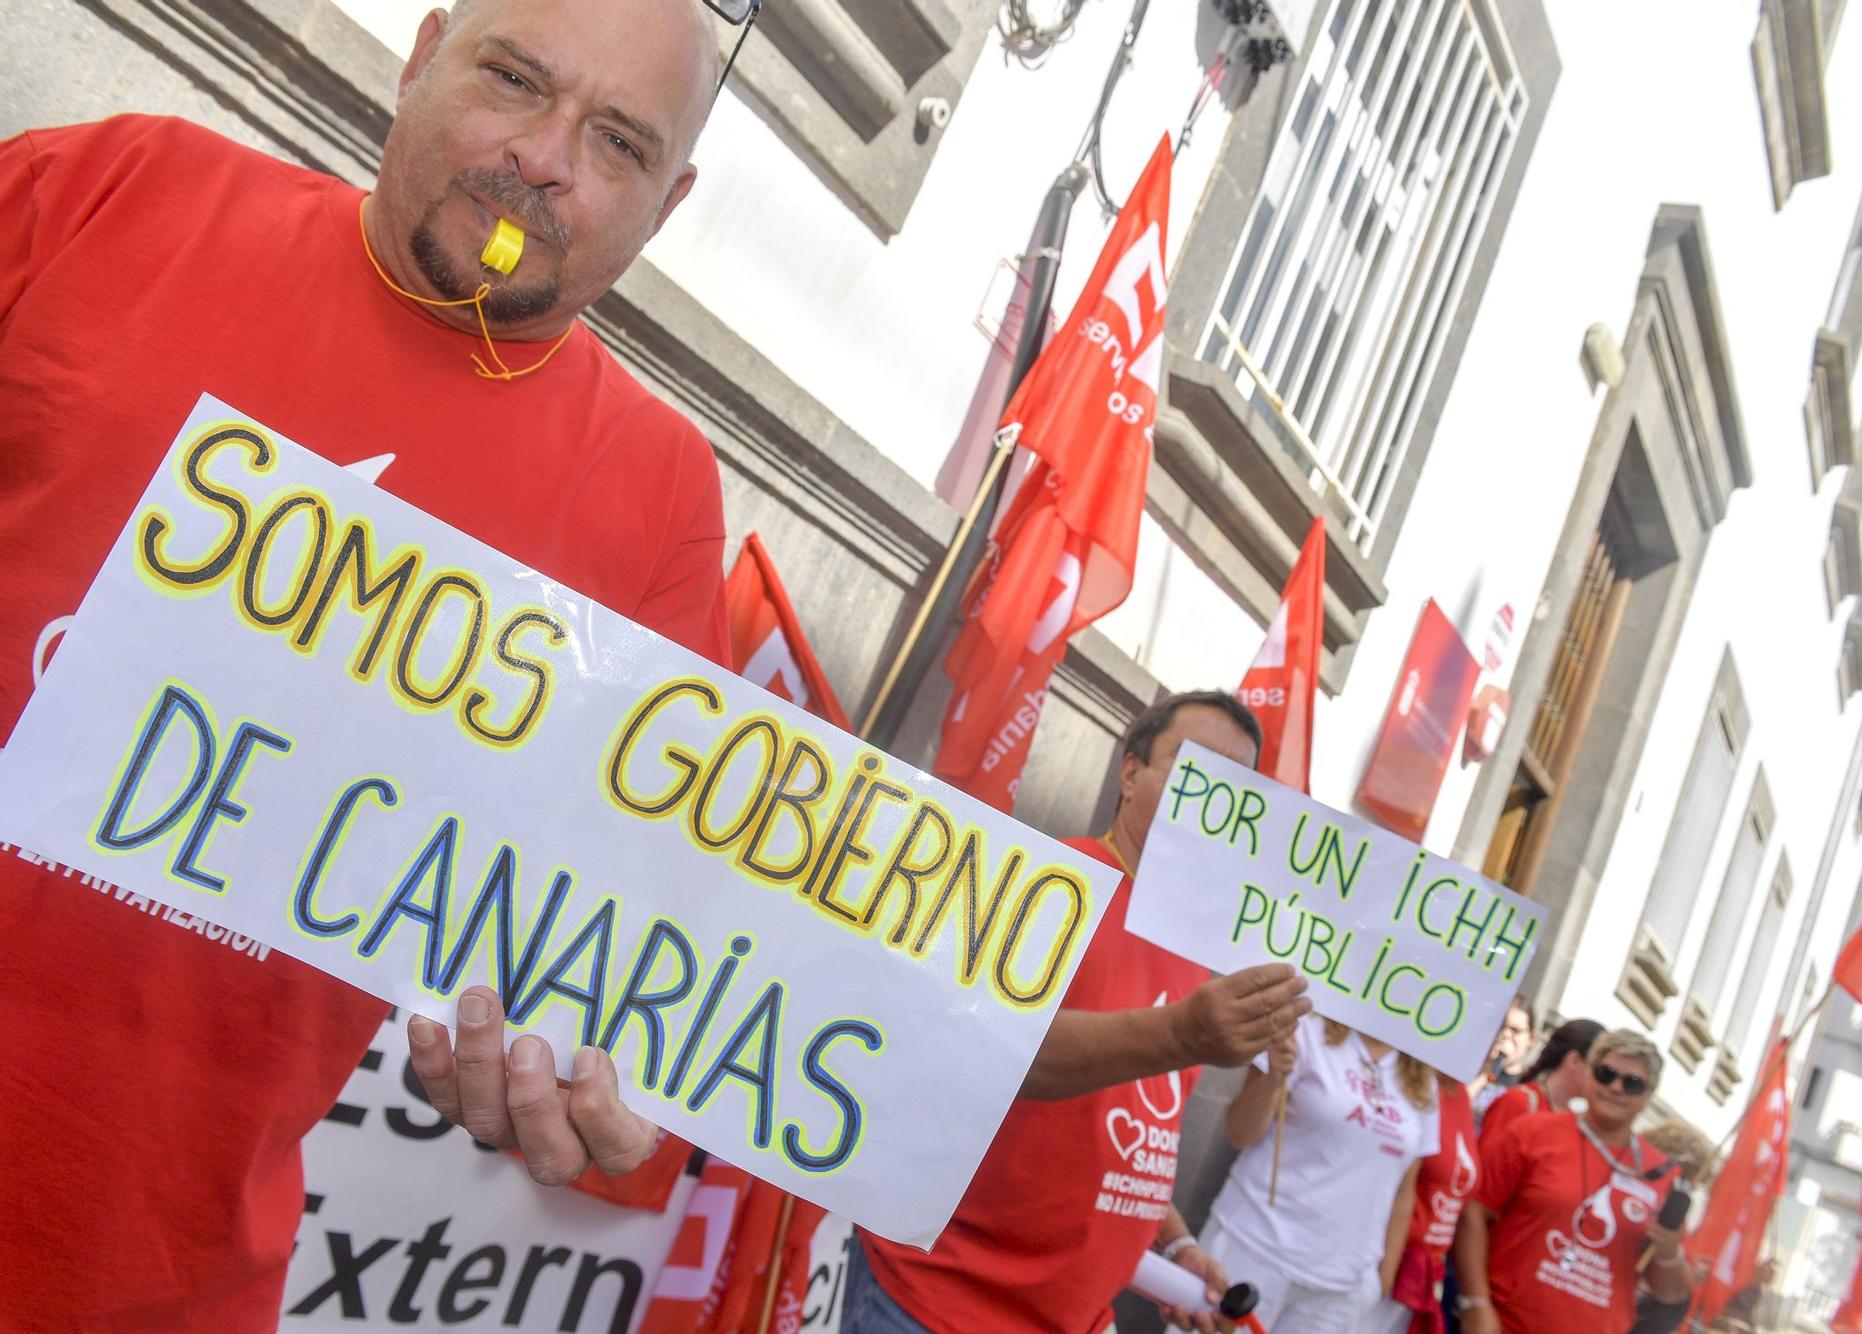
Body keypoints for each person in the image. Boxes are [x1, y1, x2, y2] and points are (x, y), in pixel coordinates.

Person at [1, 0, 733, 1325]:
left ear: (668, 205)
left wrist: (581, 1060)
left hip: (152, 1281)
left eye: (617, 141)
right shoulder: (116, 188)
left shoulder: (662, 494)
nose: (546, 160)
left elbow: (628, 913)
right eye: (515, 79)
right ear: (421, 55)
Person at [845, 691, 1315, 1334]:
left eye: (1238, 787)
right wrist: (1181, 1034)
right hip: (940, 1307)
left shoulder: (1187, 944)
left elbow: (1129, 1132)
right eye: (1195, 765)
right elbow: (991, 1053)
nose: (1214, 798)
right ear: (1130, 774)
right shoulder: (1049, 881)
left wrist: (1174, 1248)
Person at [1201, 1018, 1440, 1331]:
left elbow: (1403, 1189)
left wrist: (1381, 1279)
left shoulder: (1423, 1080)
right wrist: (1274, 1078)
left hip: (1340, 1288)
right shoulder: (1304, 1030)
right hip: (1254, 1252)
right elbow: (1239, 1133)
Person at [1454, 1030, 1691, 1334]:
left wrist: (1669, 1250)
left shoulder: (1661, 1174)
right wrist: (1476, 1304)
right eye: (1606, 1074)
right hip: (1505, 1324)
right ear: (1589, 1074)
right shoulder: (1532, 1133)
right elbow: (1473, 1212)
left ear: (1648, 1095)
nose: (1616, 1088)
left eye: (1632, 1083)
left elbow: (1669, 1294)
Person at [1365, 1071, 1478, 1333]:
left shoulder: (1460, 1093)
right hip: (1384, 1263)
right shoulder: (1418, 1079)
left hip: (1419, 1278)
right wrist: (1383, 1275)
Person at [1477, 1016, 1604, 1142]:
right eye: (1600, 1070)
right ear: (1574, 1060)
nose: (1606, 1083)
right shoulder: (1519, 1101)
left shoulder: (1574, 1123)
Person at [1468, 998, 1534, 1118]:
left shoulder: (1527, 1085)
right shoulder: (1471, 1069)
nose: (1506, 1035)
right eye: (1502, 1027)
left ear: (1531, 1038)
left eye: (1516, 1030)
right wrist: (1487, 1069)